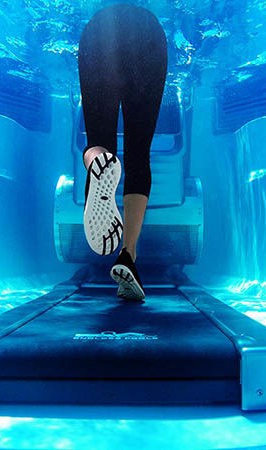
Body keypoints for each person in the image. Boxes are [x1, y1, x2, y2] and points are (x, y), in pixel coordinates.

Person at [77, 4, 167, 301]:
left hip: (101, 31)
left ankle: (96, 162)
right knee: (139, 152)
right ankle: (128, 255)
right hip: (151, 35)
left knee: (99, 142)